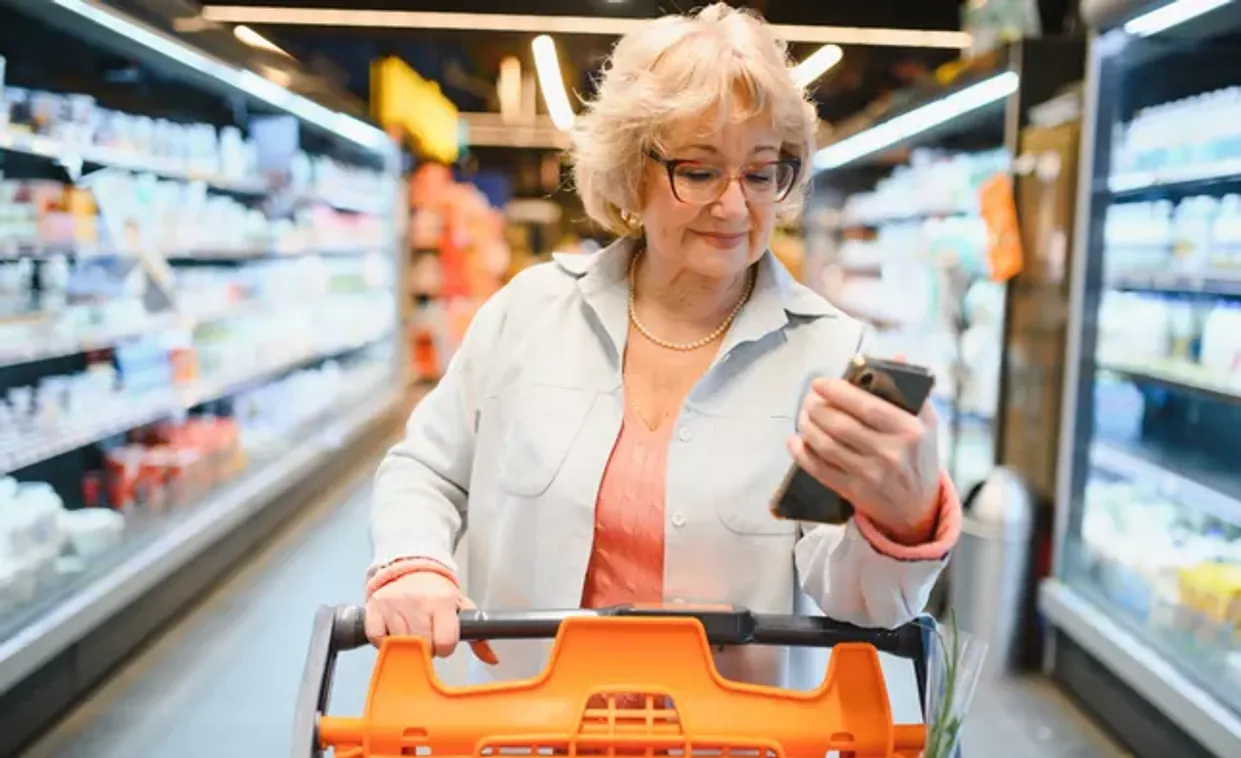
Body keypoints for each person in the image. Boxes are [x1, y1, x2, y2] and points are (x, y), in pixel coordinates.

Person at [364, 3, 963, 687]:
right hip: (528, 721)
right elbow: (427, 469)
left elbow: (857, 599)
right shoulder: (527, 316)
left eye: (762, 171)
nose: (736, 207)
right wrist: (414, 564)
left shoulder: (826, 357)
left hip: (733, 733)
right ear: (630, 174)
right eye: (699, 171)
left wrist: (903, 519)